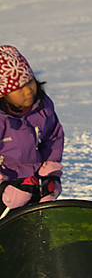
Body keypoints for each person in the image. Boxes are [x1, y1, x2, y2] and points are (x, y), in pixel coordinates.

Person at [0, 45, 64, 218]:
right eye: (19, 88)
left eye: (30, 82)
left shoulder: (42, 107)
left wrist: (51, 175)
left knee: (37, 228)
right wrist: (4, 188)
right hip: (7, 186)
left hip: (32, 182)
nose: (28, 90)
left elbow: (53, 137)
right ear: (2, 94)